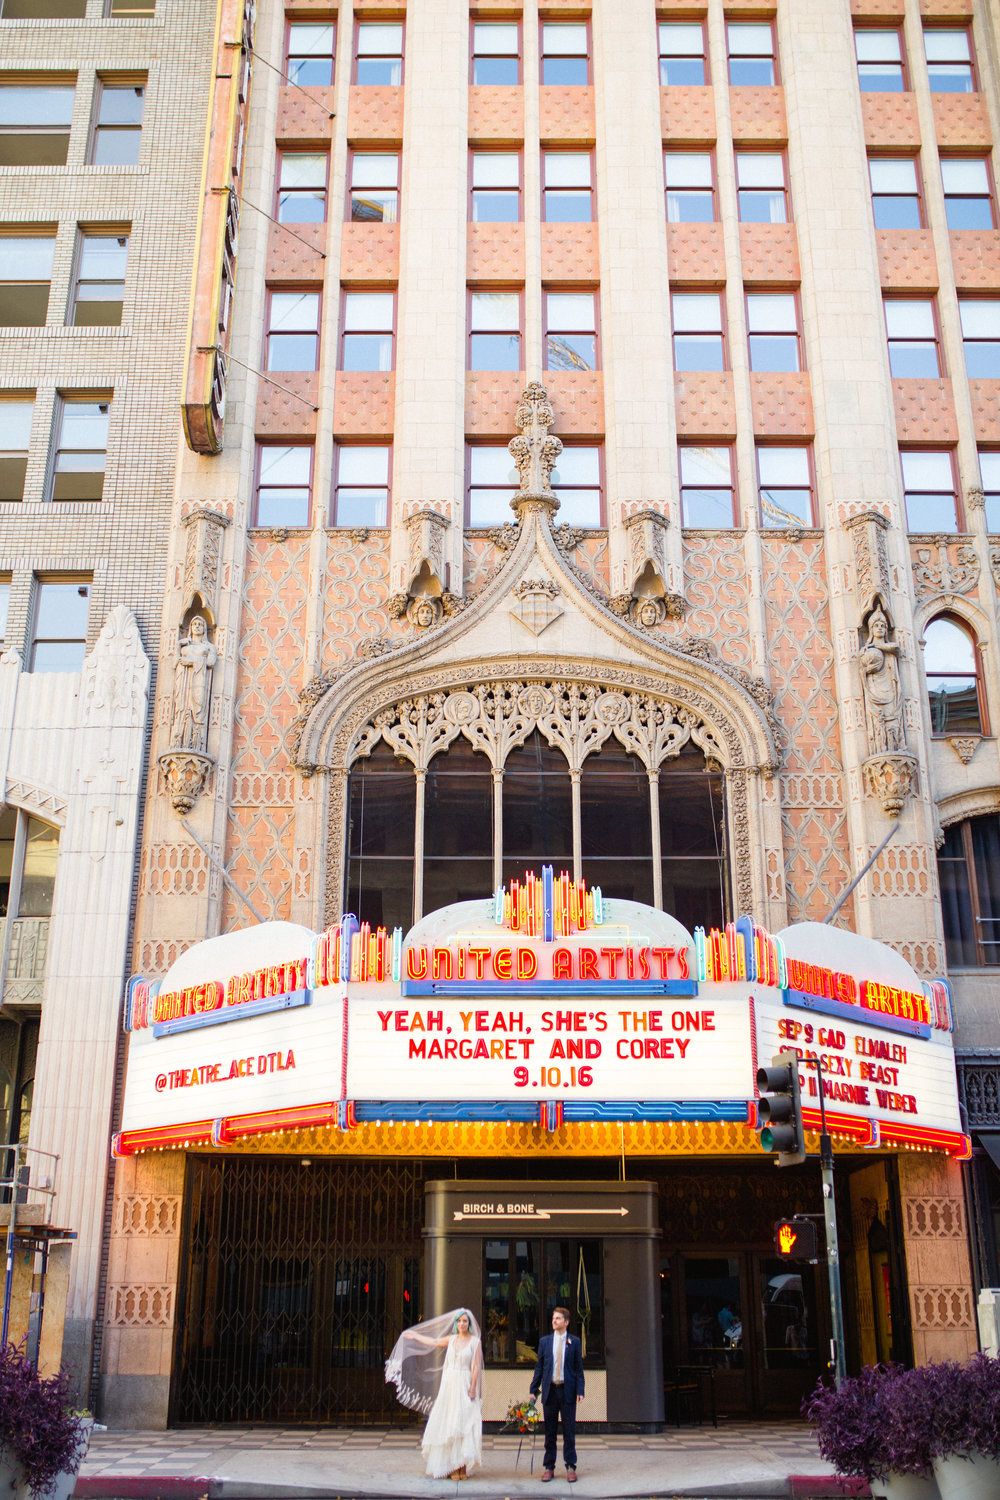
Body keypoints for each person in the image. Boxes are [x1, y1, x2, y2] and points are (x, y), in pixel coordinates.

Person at [384, 1308, 482, 1481]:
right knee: (450, 1422)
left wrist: (473, 1388)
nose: (462, 1324)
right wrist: (415, 1336)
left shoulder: (475, 1342)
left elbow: (475, 1368)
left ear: (469, 1324)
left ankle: (462, 1466)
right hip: (450, 1384)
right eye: (459, 1321)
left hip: (464, 1382)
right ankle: (451, 1465)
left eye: (465, 1321)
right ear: (455, 1324)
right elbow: (433, 1342)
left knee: (463, 1422)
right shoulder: (451, 1340)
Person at [530, 1306, 585, 1484]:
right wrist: (533, 1390)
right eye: (553, 1318)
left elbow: (578, 1369)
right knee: (550, 1431)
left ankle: (570, 1466)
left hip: (567, 1390)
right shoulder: (545, 1341)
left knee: (569, 1430)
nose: (554, 1321)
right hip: (550, 1391)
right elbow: (540, 1366)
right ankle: (549, 1467)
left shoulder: (574, 1342)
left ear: (566, 1322)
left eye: (558, 1318)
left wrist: (580, 1390)